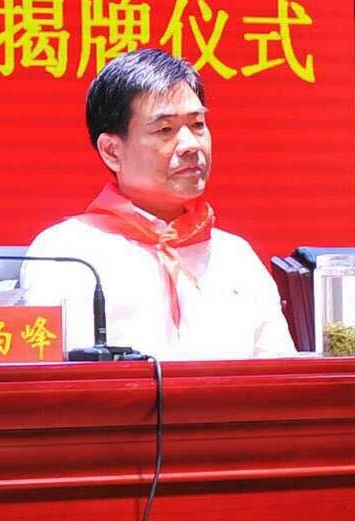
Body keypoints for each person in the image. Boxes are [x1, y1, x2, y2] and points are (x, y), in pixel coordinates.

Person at [18, 49, 291, 359]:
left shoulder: (236, 256)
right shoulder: (66, 253)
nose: (191, 145)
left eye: (198, 124)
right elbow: (58, 378)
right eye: (165, 130)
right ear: (111, 151)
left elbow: (282, 375)